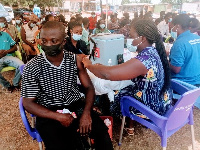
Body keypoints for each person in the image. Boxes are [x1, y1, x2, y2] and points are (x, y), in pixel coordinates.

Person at [21, 21, 113, 150]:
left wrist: (86, 113)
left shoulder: (75, 60)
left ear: (64, 42)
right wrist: (58, 116)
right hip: (49, 111)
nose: (48, 45)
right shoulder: (33, 66)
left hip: (75, 105)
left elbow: (89, 88)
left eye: (54, 41)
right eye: (44, 41)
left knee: (102, 134)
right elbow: (28, 103)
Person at [82, 19, 172, 135]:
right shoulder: (153, 51)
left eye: (131, 36)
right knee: (122, 85)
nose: (128, 39)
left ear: (143, 38)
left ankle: (107, 114)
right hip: (162, 99)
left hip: (151, 107)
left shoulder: (144, 60)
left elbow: (107, 74)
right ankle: (127, 124)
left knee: (113, 92)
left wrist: (89, 65)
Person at [169, 14, 200, 86]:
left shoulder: (180, 43)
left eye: (172, 27)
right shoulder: (197, 38)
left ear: (177, 26)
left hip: (183, 83)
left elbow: (176, 69)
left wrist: (165, 61)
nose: (172, 30)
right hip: (197, 81)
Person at [0, 20, 24, 92]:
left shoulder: (5, 35)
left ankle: (15, 83)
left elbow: (15, 47)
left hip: (8, 56)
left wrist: (6, 51)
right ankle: (7, 85)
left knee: (21, 65)